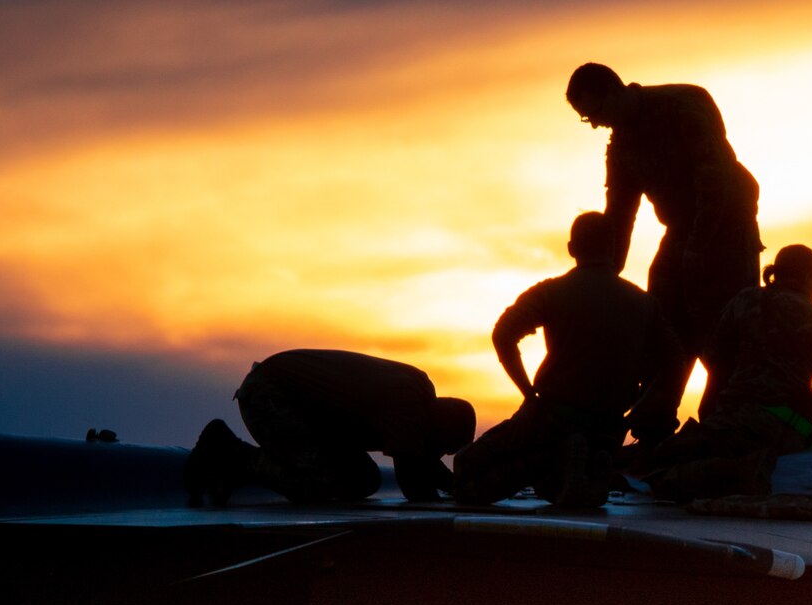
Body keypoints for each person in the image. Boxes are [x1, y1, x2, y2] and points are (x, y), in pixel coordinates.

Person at [452, 211, 688, 507]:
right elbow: (675, 361)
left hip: (550, 419)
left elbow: (503, 334)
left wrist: (529, 396)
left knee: (465, 470)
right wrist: (636, 412)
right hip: (608, 428)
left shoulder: (553, 292)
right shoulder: (644, 303)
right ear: (613, 248)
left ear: (572, 248)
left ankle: (559, 464)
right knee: (554, 474)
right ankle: (579, 469)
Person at [564, 62, 763, 373]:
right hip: (681, 230)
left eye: (594, 113)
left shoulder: (684, 104)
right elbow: (619, 216)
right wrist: (603, 277)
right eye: (586, 119)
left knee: (724, 334)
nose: (594, 125)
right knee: (660, 321)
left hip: (729, 226)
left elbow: (715, 181)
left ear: (614, 90)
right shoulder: (621, 148)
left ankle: (726, 409)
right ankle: (657, 407)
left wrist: (696, 251)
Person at [644, 243, 812, 502]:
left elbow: (714, 356)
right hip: (785, 431)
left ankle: (735, 473)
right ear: (811, 279)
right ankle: (742, 472)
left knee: (661, 461)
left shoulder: (746, 301)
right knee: (677, 468)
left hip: (732, 421)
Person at [185, 350, 475, 506]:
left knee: (362, 481)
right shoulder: (406, 402)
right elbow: (413, 481)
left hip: (311, 417)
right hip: (270, 394)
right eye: (444, 447)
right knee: (317, 484)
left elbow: (421, 462)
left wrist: (456, 485)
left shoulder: (417, 395)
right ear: (440, 428)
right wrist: (456, 497)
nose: (438, 454)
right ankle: (228, 450)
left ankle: (239, 468)